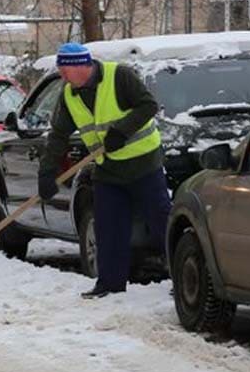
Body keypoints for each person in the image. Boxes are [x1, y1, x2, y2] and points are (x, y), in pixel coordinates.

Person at [38, 42, 170, 300]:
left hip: (143, 163)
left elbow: (148, 106)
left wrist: (121, 130)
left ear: (81, 67)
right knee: (108, 226)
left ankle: (183, 276)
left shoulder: (118, 76)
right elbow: (58, 136)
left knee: (162, 222)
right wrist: (47, 172)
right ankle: (110, 283)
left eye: (64, 70)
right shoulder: (69, 94)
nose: (62, 76)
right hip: (108, 168)